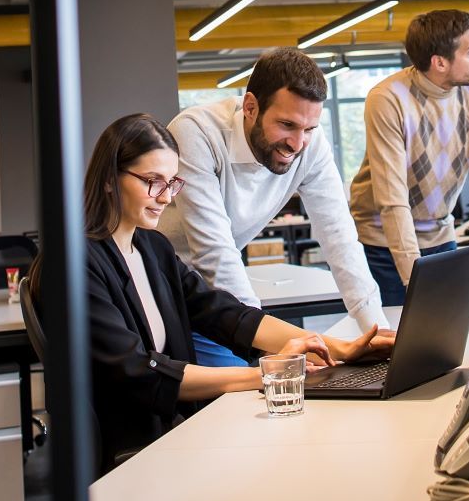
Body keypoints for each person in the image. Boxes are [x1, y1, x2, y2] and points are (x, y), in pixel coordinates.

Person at [37, 113, 392, 470]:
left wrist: (339, 349)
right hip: (134, 448)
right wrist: (268, 374)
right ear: (110, 179)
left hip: (173, 430)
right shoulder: (74, 263)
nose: (164, 197)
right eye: (151, 181)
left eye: (171, 183)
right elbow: (140, 372)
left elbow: (223, 314)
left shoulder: (152, 249)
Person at [164, 48, 389, 366]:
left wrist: (376, 331)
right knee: (249, 385)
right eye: (287, 125)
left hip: (223, 301)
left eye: (308, 129)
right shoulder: (197, 133)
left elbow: (339, 236)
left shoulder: (311, 144)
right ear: (250, 107)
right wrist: (264, 343)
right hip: (174, 290)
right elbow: (215, 253)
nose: (297, 144)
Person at [350, 9, 469, 306]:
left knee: (450, 327)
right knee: (399, 338)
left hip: (440, 234)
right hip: (383, 243)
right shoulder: (388, 99)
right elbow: (392, 199)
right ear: (440, 62)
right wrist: (415, 281)